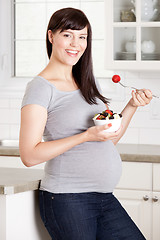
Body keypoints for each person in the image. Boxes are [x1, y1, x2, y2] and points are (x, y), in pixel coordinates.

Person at [19, 7, 152, 240]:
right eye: (67, 34)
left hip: (103, 197)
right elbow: (29, 155)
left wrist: (132, 105)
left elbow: (109, 139)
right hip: (67, 199)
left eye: (82, 37)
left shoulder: (87, 82)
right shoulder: (40, 87)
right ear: (51, 36)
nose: (76, 44)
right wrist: (85, 136)